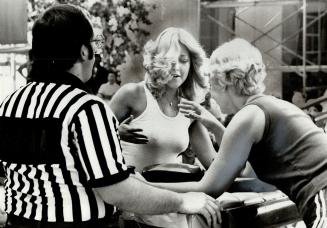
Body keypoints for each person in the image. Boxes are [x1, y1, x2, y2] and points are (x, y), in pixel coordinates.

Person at [0, 5, 221, 228]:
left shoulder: (9, 104)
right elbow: (117, 191)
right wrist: (183, 201)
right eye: (94, 46)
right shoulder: (85, 108)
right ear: (84, 51)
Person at [150, 38, 327, 228]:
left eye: (210, 83)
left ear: (223, 82)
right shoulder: (268, 106)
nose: (211, 94)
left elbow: (210, 187)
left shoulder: (248, 116)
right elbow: (244, 169)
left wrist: (143, 187)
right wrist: (212, 123)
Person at [109, 27, 224, 227]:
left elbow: (215, 165)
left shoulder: (189, 108)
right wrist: (113, 133)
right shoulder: (133, 94)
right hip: (129, 204)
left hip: (167, 202)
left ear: (192, 64)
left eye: (183, 60)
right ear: (157, 62)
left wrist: (214, 124)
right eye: (170, 61)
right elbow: (91, 140)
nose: (176, 68)